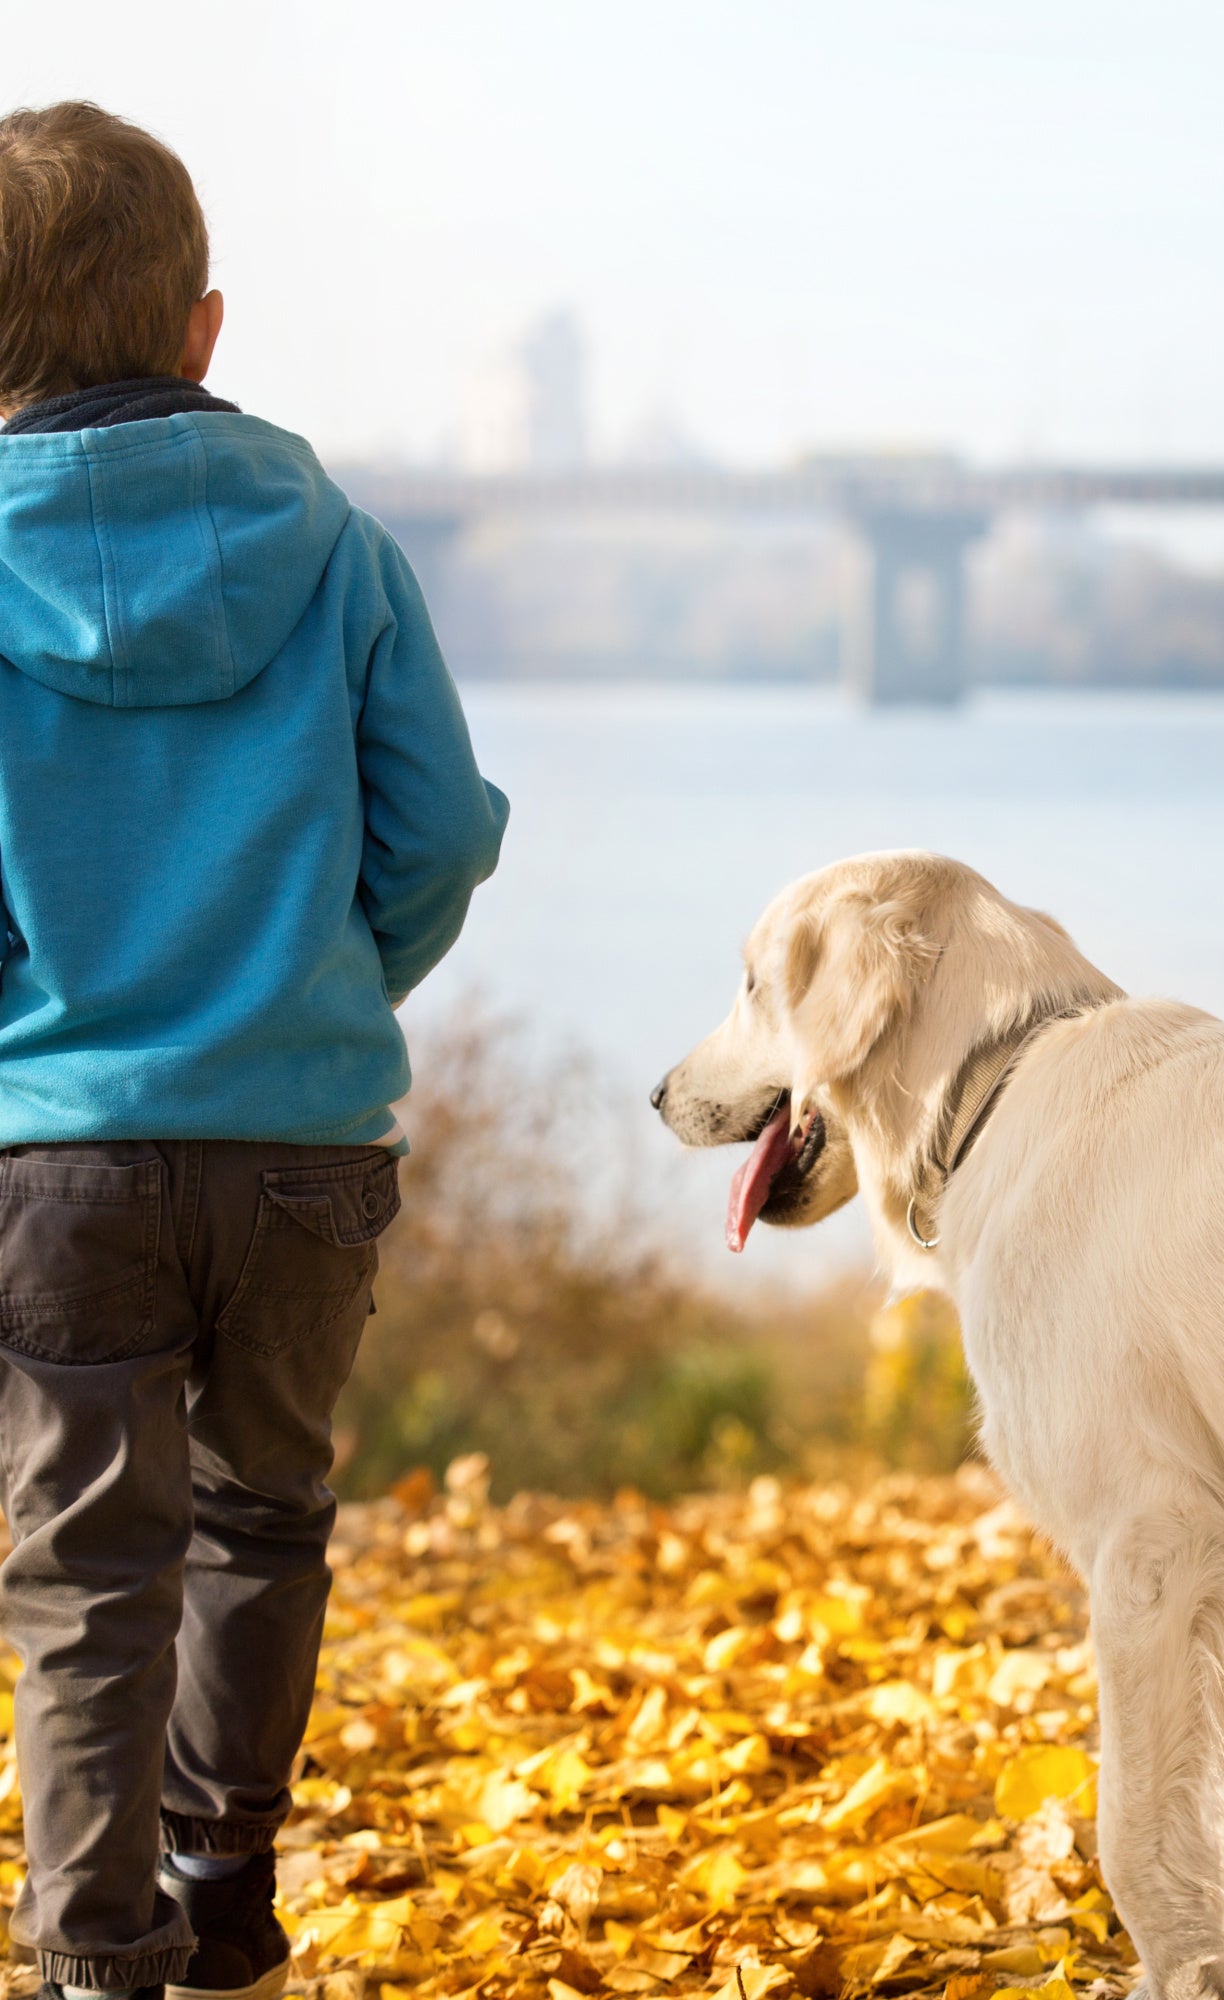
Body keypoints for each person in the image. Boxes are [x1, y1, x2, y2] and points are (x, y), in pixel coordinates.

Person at [0, 101, 507, 2000]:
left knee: (84, 1571)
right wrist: (324, 987)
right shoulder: (343, 547)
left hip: (50, 1153)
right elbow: (441, 832)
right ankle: (224, 1898)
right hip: (303, 1142)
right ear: (204, 329)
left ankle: (91, 1954)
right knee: (261, 1518)